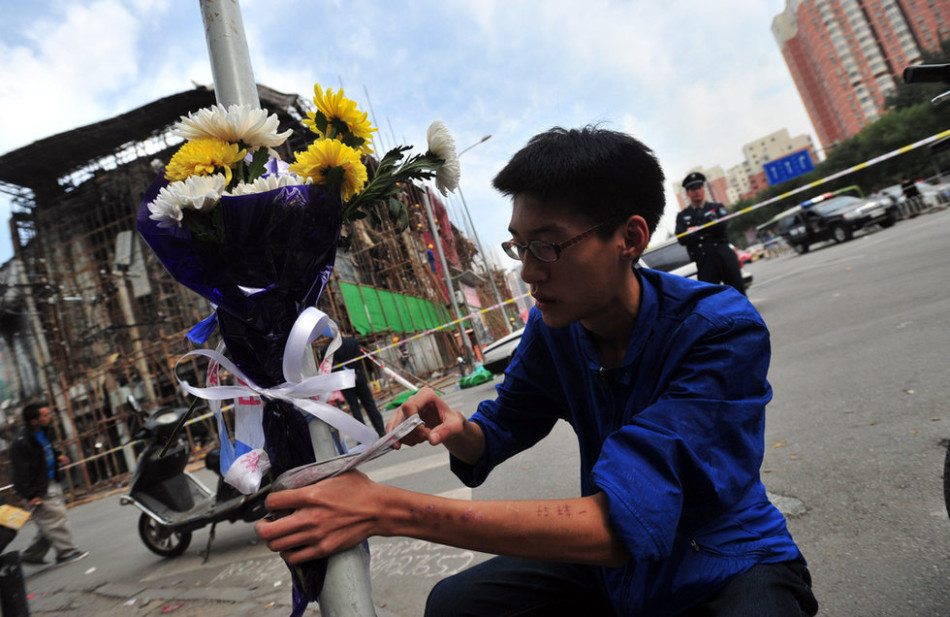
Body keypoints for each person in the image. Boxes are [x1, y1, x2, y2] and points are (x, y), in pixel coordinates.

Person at [255, 127, 818, 616]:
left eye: (546, 247)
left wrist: (387, 508)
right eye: (519, 247)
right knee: (456, 605)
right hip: (613, 572)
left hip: (722, 561)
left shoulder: (719, 331)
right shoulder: (556, 330)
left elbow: (618, 524)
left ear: (630, 238)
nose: (527, 272)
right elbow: (500, 429)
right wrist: (459, 429)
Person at [10, 403, 88, 566]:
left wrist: (58, 455)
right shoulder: (21, 443)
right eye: (44, 415)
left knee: (50, 521)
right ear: (34, 421)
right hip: (39, 488)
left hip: (51, 481)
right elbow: (20, 474)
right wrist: (31, 495)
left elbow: (46, 449)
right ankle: (66, 553)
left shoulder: (44, 432)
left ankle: (32, 555)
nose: (49, 417)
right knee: (55, 519)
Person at [675, 172, 746, 295]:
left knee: (737, 293)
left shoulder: (717, 207)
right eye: (693, 189)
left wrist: (695, 230)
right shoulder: (682, 216)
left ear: (703, 189)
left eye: (699, 187)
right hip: (704, 261)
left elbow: (721, 226)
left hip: (724, 256)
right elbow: (681, 238)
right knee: (710, 299)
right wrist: (707, 226)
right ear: (687, 193)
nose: (697, 191)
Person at [334, 336, 386, 437]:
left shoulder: (331, 348)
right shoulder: (352, 341)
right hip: (359, 377)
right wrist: (355, 371)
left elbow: (335, 365)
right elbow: (359, 357)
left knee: (355, 408)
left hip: (345, 381)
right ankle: (381, 430)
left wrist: (347, 371)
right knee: (369, 404)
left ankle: (363, 436)